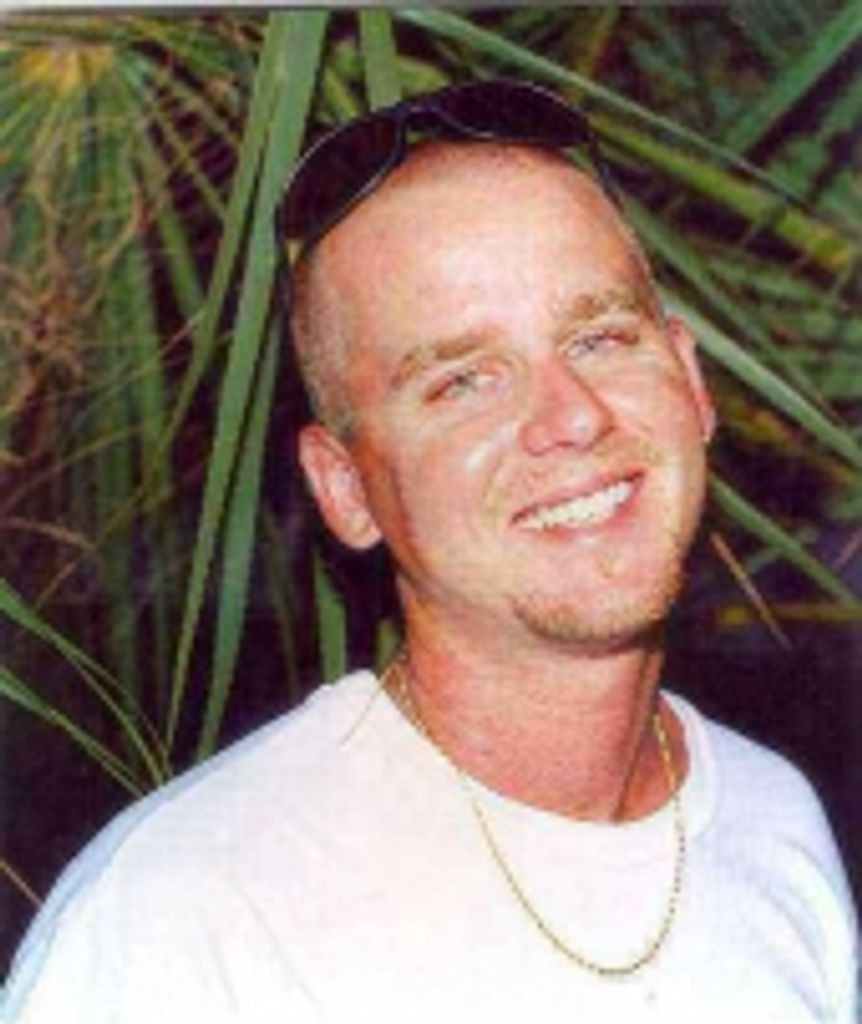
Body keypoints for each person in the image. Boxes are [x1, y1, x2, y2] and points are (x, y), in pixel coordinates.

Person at [2, 80, 857, 1023]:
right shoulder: (186, 917)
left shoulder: (772, 824)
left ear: (691, 385)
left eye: (601, 338)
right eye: (464, 382)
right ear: (346, 488)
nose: (573, 416)